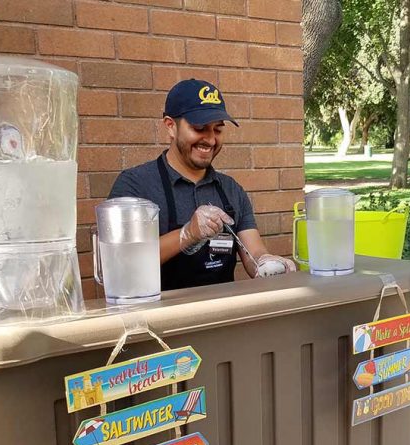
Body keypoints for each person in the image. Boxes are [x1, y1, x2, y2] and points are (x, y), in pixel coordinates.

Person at [108, 79, 296, 291]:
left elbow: (254, 254)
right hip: (157, 318)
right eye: (199, 128)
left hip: (221, 314)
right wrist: (187, 234)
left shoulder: (230, 189)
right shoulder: (135, 186)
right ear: (171, 126)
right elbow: (122, 263)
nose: (210, 140)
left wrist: (269, 263)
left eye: (217, 130)